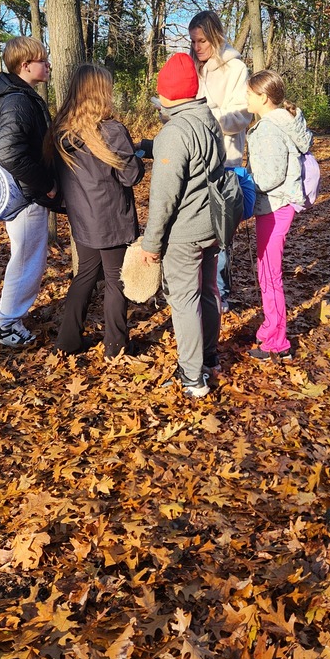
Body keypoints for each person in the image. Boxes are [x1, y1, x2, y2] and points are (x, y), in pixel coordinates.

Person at [140, 52, 224, 399]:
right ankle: (209, 357)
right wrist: (151, 147)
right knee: (208, 292)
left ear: (170, 95)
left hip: (185, 232)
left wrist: (151, 243)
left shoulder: (174, 132)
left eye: (160, 94)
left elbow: (163, 197)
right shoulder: (207, 119)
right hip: (212, 226)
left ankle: (192, 377)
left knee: (184, 300)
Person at [46, 64, 144, 359]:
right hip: (112, 220)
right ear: (102, 92)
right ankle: (115, 346)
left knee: (85, 275)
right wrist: (137, 158)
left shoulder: (61, 132)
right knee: (116, 280)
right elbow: (130, 177)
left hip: (83, 220)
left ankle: (68, 341)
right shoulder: (111, 131)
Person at [0, 37, 57, 347]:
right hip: (25, 197)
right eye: (43, 61)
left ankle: (9, 319)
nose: (48, 65)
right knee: (27, 260)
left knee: (27, 257)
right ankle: (6, 324)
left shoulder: (20, 96)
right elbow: (11, 154)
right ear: (25, 66)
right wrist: (46, 183)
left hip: (26, 193)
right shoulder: (17, 100)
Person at [245, 69, 313, 362]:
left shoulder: (269, 128)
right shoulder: (282, 122)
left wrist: (243, 181)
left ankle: (277, 342)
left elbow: (270, 176)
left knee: (269, 275)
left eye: (249, 93)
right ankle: (271, 331)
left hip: (274, 205)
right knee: (267, 271)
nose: (244, 97)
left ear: (263, 97)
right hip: (280, 205)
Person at [188, 9, 251, 310]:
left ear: (214, 37)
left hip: (226, 159)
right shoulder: (194, 66)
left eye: (202, 41)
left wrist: (208, 116)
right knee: (198, 226)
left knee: (221, 230)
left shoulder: (235, 68)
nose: (197, 47)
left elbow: (242, 115)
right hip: (196, 158)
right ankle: (199, 287)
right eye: (193, 42)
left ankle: (220, 293)